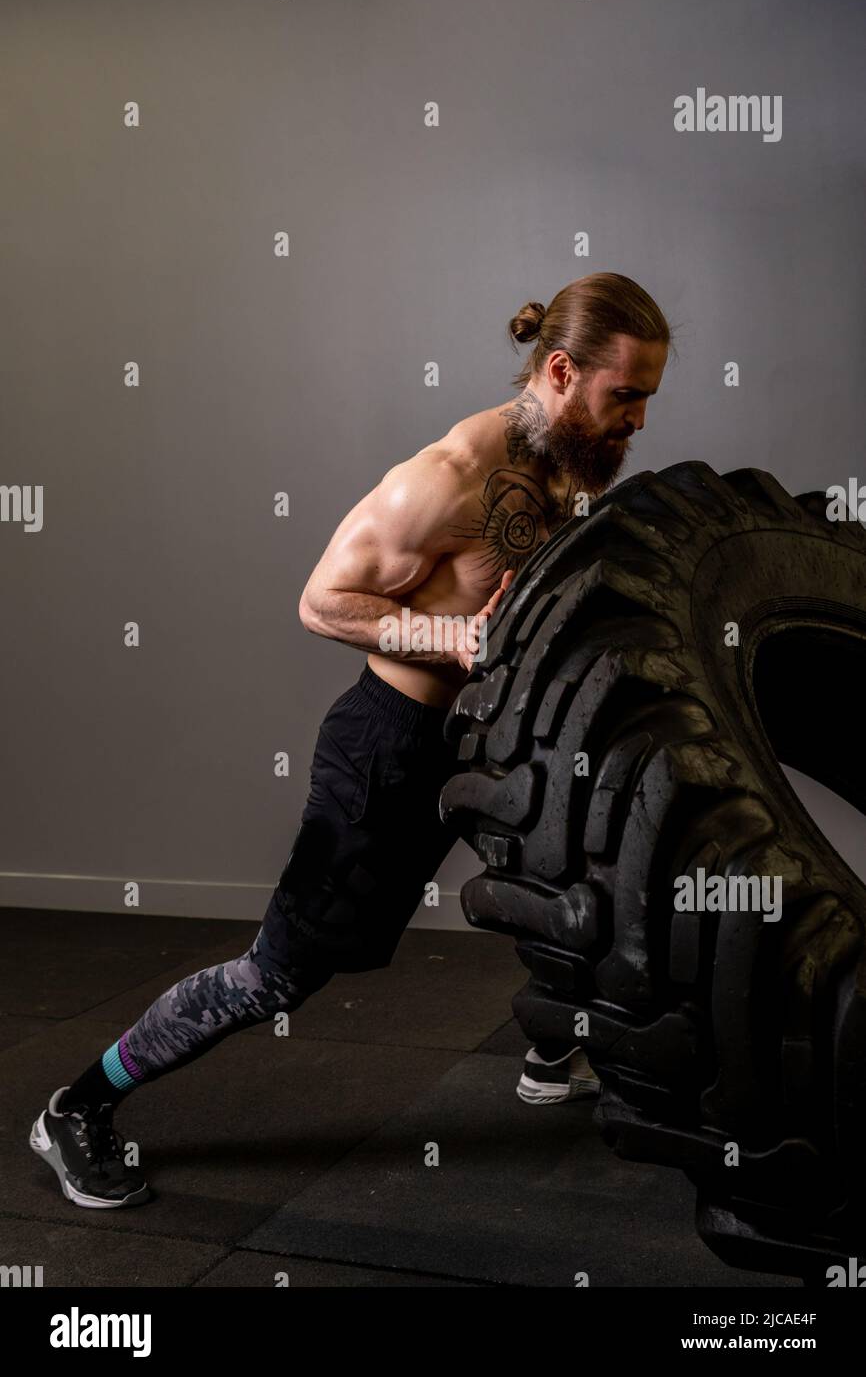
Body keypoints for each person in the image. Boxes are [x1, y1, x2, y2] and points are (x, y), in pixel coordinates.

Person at [29, 272, 672, 1208]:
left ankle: (550, 1048)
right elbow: (320, 602)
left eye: (650, 397)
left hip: (489, 739)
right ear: (564, 372)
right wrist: (450, 636)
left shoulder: (570, 457)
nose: (640, 421)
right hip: (392, 750)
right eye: (627, 397)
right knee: (277, 976)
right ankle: (76, 1109)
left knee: (581, 883)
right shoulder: (441, 479)